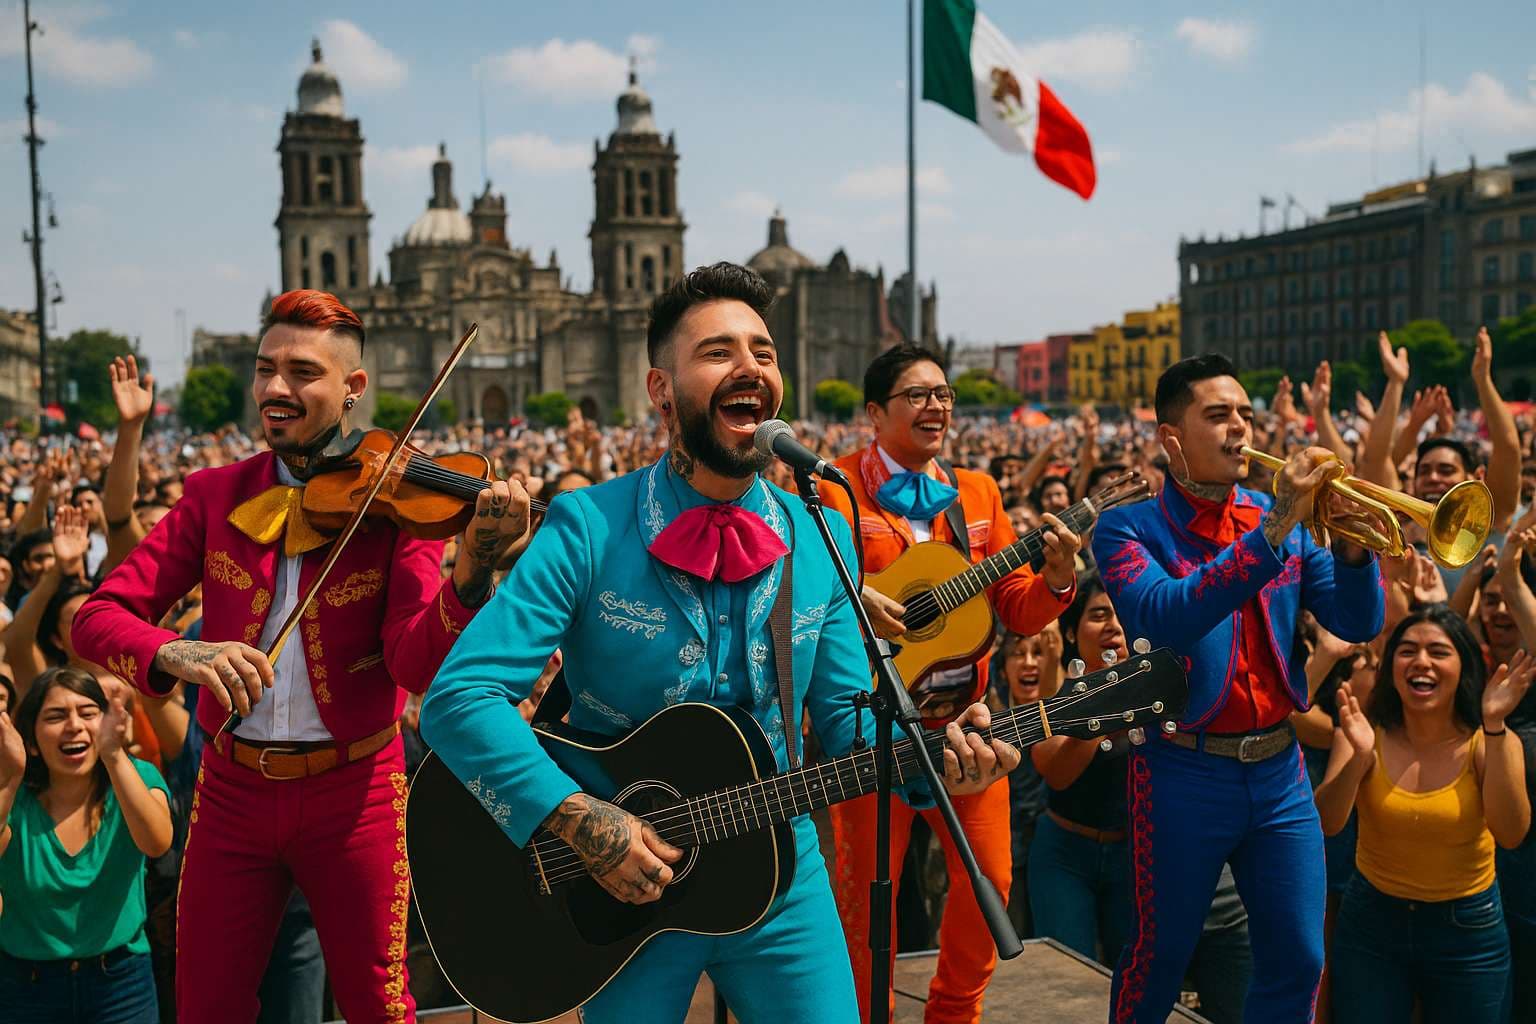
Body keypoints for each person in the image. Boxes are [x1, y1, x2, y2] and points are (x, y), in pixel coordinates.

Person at [420, 262, 1020, 1024]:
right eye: (717, 352)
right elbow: (458, 698)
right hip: (621, 881)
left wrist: (939, 760)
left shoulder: (820, 536)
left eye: (764, 352)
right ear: (661, 390)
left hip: (781, 865)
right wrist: (575, 819)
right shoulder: (588, 527)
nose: (750, 367)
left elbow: (846, 723)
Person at [70, 289, 532, 1023]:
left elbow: (413, 667)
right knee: (206, 1006)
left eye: (303, 372)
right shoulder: (215, 494)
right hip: (231, 790)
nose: (275, 389)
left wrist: (471, 572)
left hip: (356, 791)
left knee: (379, 1006)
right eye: (266, 369)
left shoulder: (398, 503)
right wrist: (179, 651)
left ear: (353, 388)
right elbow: (96, 618)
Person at [1092, 353, 1385, 1023]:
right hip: (1181, 769)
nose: (1240, 430)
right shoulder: (1128, 527)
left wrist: (1354, 550)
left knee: (1300, 958)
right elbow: (1167, 614)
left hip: (1280, 770)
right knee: (1160, 956)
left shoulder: (1272, 514)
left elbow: (1356, 622)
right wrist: (1277, 527)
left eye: (1245, 415)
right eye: (1219, 415)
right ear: (1171, 439)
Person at [817, 343, 1081, 1023]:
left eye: (943, 394)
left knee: (989, 881)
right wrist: (859, 597)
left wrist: (1056, 581)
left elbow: (1014, 605)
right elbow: (811, 592)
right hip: (870, 731)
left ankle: (954, 1014)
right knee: (865, 900)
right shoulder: (833, 490)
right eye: (917, 394)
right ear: (875, 413)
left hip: (967, 725)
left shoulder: (979, 493)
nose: (935, 406)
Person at [1315, 606, 1533, 1022]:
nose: (1421, 661)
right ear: (1391, 666)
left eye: (1438, 651)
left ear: (1463, 666)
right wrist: (1358, 759)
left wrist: (1494, 724)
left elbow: (1511, 834)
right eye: (1407, 650)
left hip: (1468, 931)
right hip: (1372, 924)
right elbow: (1328, 822)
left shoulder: (1490, 740)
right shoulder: (1364, 730)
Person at [0, 666, 173, 1023]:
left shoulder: (138, 776)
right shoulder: (12, 796)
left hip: (121, 985)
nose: (74, 725)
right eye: (55, 716)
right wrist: (10, 778)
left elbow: (157, 843)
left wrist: (113, 755)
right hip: (25, 988)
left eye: (88, 713)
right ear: (31, 739)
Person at [1027, 573, 1132, 966]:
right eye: (1099, 615)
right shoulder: (1060, 693)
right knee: (1068, 974)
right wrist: (1105, 704)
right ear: (1071, 632)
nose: (1113, 626)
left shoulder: (1154, 687)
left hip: (1133, 854)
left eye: (1122, 614)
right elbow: (1057, 773)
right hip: (1064, 855)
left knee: (1132, 977)